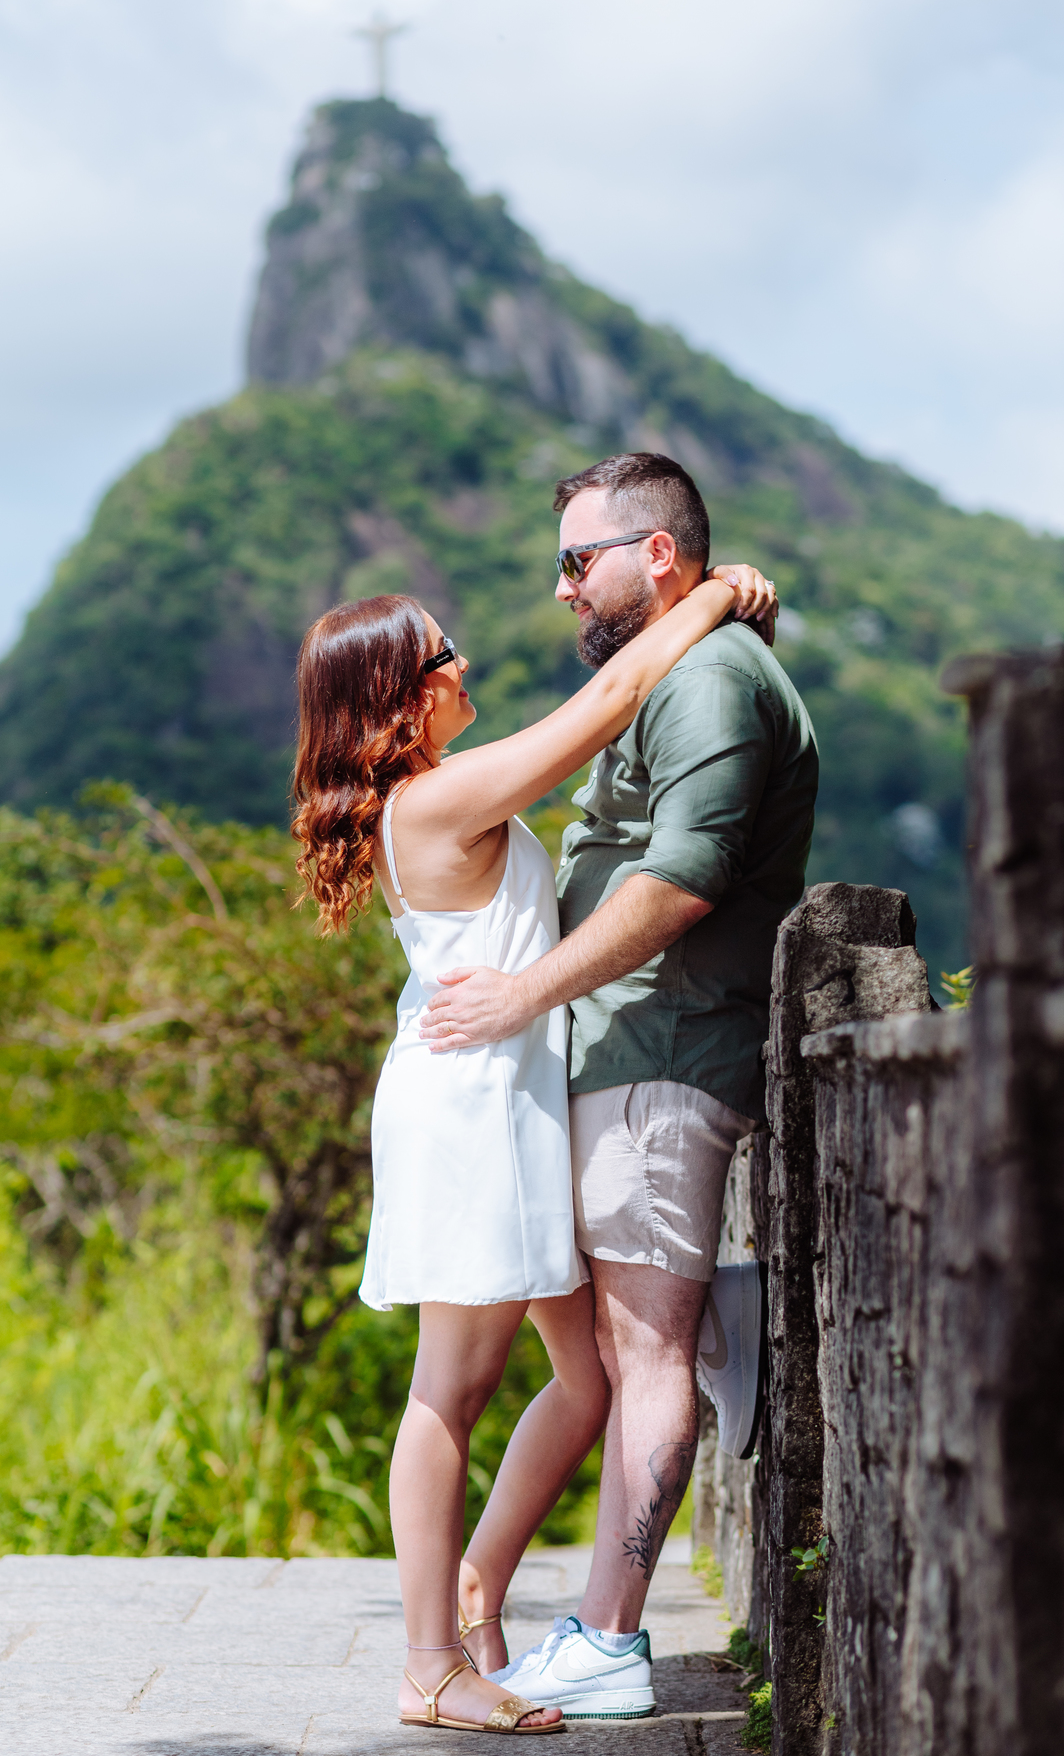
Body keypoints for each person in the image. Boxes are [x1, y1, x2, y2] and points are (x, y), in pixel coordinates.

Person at [291, 553, 777, 1734]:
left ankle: (472, 1589)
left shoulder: (441, 788)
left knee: (589, 1376)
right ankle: (427, 1665)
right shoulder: (438, 802)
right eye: (442, 656)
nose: (466, 667)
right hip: (467, 1108)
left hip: (507, 1100)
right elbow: (604, 709)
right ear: (401, 697)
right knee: (449, 1390)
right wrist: (715, 596)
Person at [417, 453, 819, 1719]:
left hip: (663, 1058)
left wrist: (526, 995)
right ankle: (547, 1600)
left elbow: (683, 880)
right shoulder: (672, 665)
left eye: (576, 561)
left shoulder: (709, 681)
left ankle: (605, 1641)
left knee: (640, 1351)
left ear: (657, 553)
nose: (560, 591)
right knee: (624, 1346)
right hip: (619, 1059)